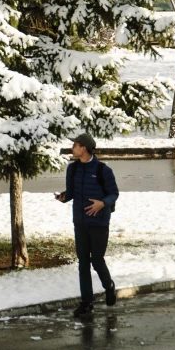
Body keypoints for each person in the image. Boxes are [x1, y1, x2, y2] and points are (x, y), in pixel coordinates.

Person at [55, 133, 119, 317]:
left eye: (75, 145)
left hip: (99, 223)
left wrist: (102, 203)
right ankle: (86, 302)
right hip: (80, 222)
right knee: (83, 263)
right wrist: (62, 197)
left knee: (97, 261)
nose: (72, 148)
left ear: (84, 148)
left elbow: (113, 193)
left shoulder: (103, 170)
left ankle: (109, 286)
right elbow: (72, 193)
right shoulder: (72, 169)